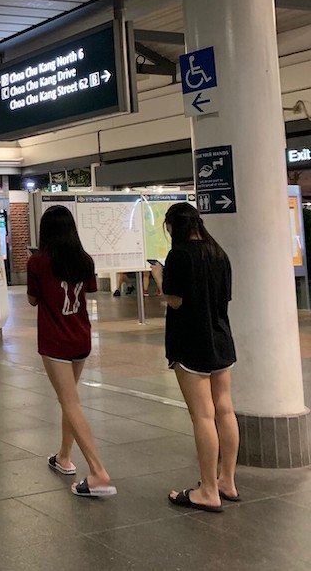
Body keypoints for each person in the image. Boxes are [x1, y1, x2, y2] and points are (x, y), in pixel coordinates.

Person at [152, 202, 237, 513]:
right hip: (221, 339)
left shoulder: (180, 255)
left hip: (191, 343)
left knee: (203, 415)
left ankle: (208, 490)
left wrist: (159, 277)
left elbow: (175, 301)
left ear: (174, 226)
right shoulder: (219, 253)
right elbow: (224, 298)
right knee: (225, 410)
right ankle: (227, 480)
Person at [28, 206, 115, 499]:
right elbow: (87, 292)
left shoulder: (38, 263)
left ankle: (98, 470)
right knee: (70, 399)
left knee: (70, 401)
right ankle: (64, 456)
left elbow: (32, 299)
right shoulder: (84, 260)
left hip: (55, 341)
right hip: (81, 337)